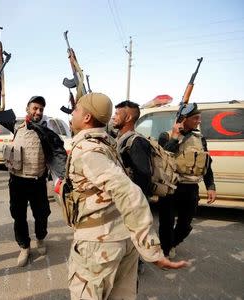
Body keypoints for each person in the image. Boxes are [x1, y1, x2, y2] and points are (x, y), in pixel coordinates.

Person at [67, 93, 188, 299]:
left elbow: (129, 192)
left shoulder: (88, 150)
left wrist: (150, 249)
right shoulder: (107, 143)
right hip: (119, 238)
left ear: (87, 118)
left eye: (76, 109)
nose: (72, 113)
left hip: (100, 245)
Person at [158, 103, 216, 258]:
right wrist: (176, 137)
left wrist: (211, 185)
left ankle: (171, 244)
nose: (199, 121)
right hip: (170, 187)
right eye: (196, 118)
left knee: (185, 224)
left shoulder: (200, 139)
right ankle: (165, 252)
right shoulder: (166, 136)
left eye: (199, 118)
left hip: (190, 188)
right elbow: (163, 158)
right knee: (166, 223)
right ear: (184, 119)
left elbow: (206, 163)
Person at [6, 96, 58, 267]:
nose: (38, 112)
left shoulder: (46, 130)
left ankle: (41, 238)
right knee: (18, 216)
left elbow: (56, 153)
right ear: (27, 108)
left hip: (38, 181)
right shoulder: (16, 126)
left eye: (41, 109)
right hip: (17, 181)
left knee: (42, 214)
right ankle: (24, 247)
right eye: (35, 108)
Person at [112, 100, 152, 275]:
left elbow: (144, 177)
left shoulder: (136, 142)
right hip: (123, 199)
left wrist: (136, 204)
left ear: (127, 117)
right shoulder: (119, 138)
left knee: (133, 234)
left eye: (117, 114)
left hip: (132, 201)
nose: (114, 117)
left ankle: (136, 265)